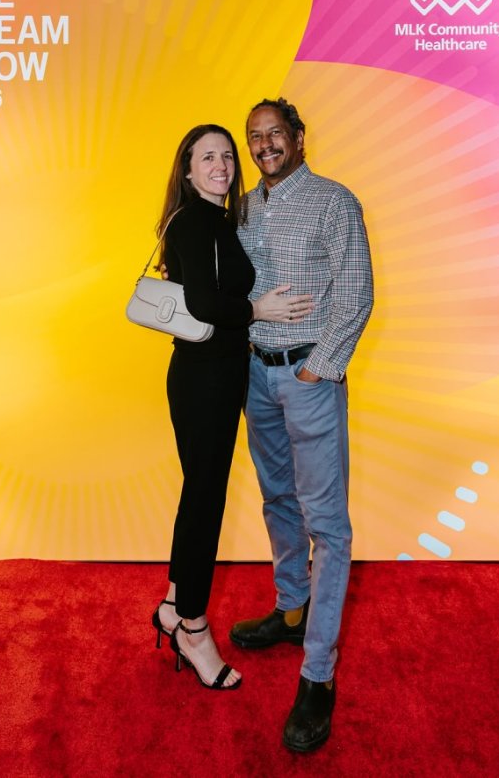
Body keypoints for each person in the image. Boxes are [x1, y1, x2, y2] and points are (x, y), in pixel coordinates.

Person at [230, 99, 373, 749]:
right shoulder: (243, 206)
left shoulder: (334, 201)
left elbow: (355, 291)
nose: (264, 145)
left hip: (308, 378)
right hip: (256, 375)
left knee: (326, 523)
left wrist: (320, 368)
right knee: (277, 498)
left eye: (274, 134)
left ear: (298, 137)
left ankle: (318, 673)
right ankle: (292, 608)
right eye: (254, 137)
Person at [151, 123, 314, 691]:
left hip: (211, 375)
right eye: (207, 157)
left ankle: (174, 603)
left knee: (198, 494)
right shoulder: (198, 220)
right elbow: (200, 300)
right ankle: (193, 629)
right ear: (189, 169)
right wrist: (258, 311)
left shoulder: (215, 219)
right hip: (205, 380)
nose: (220, 165)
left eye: (226, 155)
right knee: (204, 501)